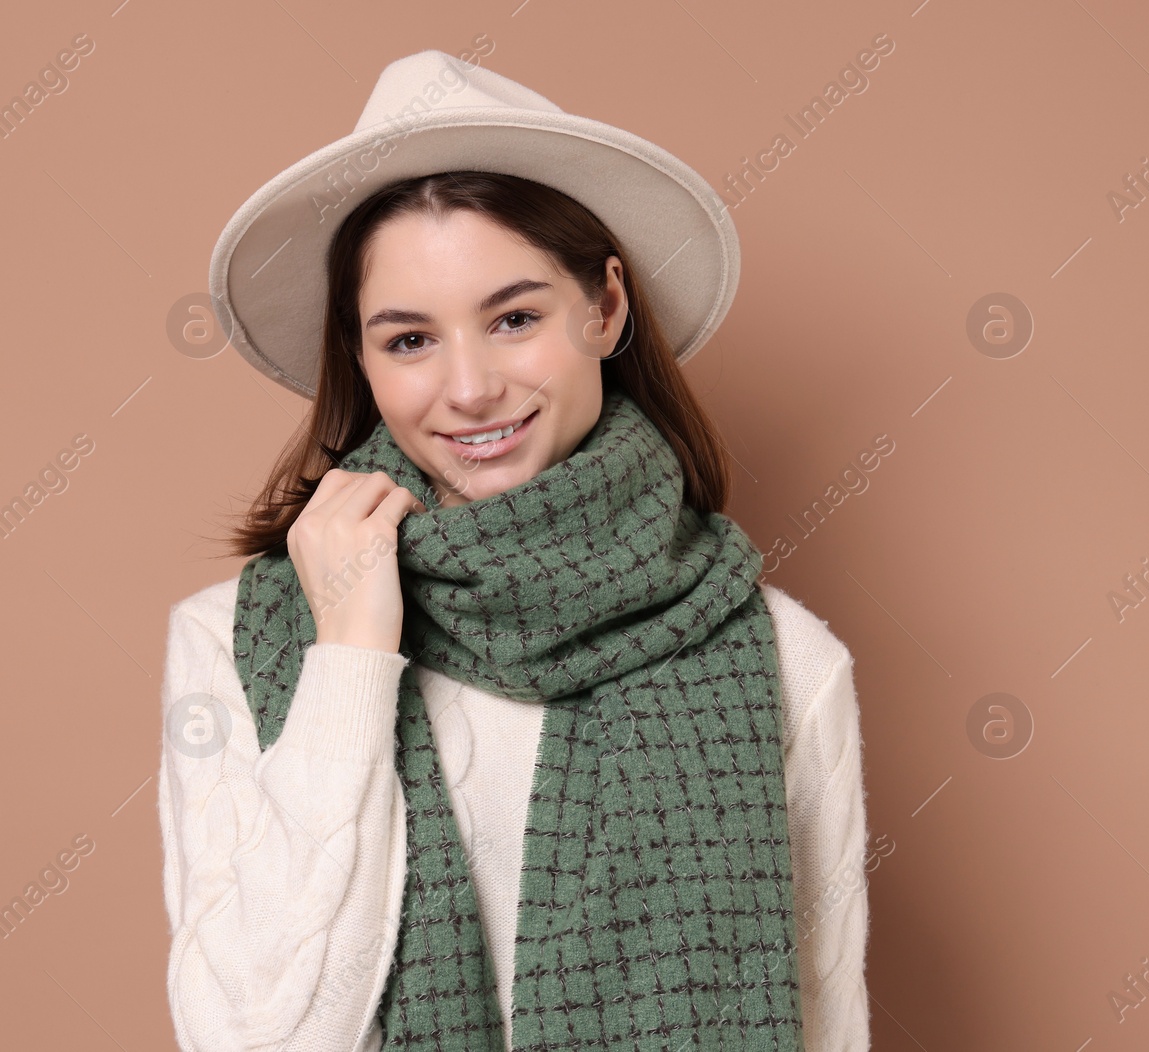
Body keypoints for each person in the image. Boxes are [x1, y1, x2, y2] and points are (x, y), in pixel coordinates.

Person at [157, 50, 870, 1051]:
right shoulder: (233, 640)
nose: (472, 386)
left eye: (515, 317)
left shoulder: (784, 657)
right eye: (409, 339)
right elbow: (250, 1037)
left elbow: (821, 1019)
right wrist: (350, 654)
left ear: (605, 307)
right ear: (358, 357)